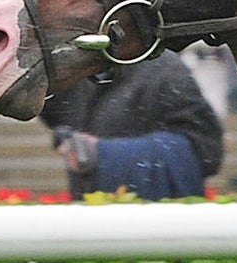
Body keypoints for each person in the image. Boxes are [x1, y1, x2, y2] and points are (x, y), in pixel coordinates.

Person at [40, 51, 223, 200]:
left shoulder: (164, 69)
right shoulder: (82, 67)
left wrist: (103, 153)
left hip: (159, 225)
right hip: (95, 220)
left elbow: (206, 149)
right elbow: (53, 110)